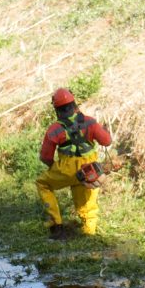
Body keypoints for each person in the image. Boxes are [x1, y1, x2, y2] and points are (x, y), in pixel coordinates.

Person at [35, 88, 112, 239]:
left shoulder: (54, 129)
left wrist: (55, 169)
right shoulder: (90, 122)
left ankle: (56, 225)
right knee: (88, 205)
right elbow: (107, 141)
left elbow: (45, 157)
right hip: (89, 169)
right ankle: (89, 233)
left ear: (56, 109)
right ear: (74, 105)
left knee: (42, 184)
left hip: (66, 169)